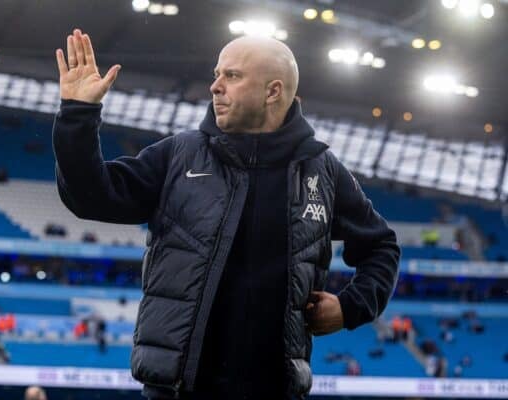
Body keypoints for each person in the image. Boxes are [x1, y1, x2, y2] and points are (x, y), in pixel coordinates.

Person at [53, 28, 400, 400]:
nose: (215, 86)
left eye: (232, 76)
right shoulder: (178, 154)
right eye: (216, 75)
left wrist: (350, 307)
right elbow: (92, 197)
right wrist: (78, 114)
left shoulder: (321, 171)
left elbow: (381, 248)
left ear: (273, 91)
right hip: (178, 390)